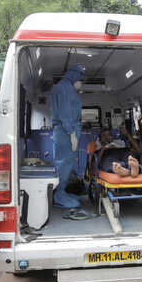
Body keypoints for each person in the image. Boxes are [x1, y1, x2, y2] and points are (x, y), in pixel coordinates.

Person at [51, 65, 85, 208]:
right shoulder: (64, 87)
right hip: (66, 131)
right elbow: (64, 112)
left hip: (66, 130)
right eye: (79, 78)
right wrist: (71, 133)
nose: (80, 81)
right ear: (73, 75)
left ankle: (61, 191)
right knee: (64, 163)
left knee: (63, 162)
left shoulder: (67, 87)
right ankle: (59, 195)